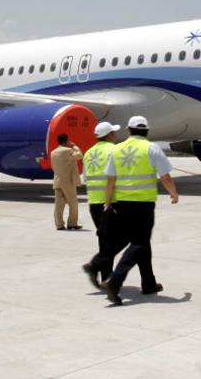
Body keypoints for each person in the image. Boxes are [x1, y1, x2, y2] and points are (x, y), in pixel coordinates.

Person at [99, 116, 179, 305]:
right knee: (139, 244)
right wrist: (173, 194)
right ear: (147, 131)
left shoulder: (116, 149)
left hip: (122, 204)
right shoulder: (151, 148)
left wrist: (108, 202)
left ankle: (148, 283)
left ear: (129, 130)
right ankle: (114, 281)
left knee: (141, 244)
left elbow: (111, 180)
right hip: (143, 204)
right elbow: (165, 177)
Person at [81, 121, 121, 286]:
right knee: (120, 239)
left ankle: (105, 276)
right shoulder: (114, 150)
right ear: (110, 135)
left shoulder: (88, 153)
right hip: (111, 201)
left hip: (94, 202)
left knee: (104, 240)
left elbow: (85, 177)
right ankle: (95, 266)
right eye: (114, 132)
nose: (116, 135)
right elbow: (119, 176)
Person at [49, 133, 83, 231]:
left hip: (57, 180)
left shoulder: (53, 152)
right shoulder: (69, 150)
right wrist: (74, 146)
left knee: (59, 205)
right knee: (73, 203)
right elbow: (80, 155)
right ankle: (72, 223)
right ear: (66, 141)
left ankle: (59, 224)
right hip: (68, 181)